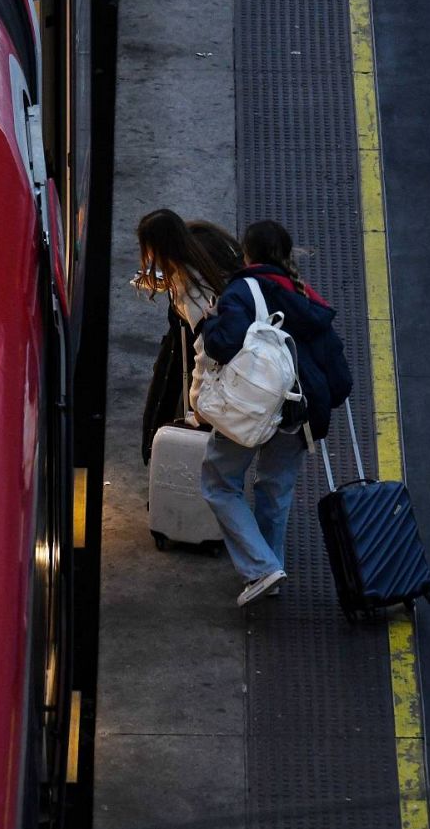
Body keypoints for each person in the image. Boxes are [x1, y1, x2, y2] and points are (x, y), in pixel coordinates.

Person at [196, 219, 352, 606]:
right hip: (300, 414)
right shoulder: (308, 297)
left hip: (252, 408)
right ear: (287, 255)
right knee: (274, 491)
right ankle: (270, 570)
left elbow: (222, 344)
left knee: (220, 482)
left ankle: (261, 568)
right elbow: (340, 377)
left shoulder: (242, 291)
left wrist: (210, 320)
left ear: (246, 253)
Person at [135, 211, 242, 459]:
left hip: (187, 361)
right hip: (202, 346)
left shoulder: (190, 286)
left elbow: (204, 350)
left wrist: (197, 403)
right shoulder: (203, 238)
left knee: (166, 414)